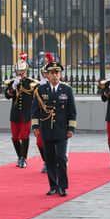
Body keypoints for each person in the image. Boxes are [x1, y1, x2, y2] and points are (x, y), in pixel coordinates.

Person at [31, 59, 76, 197]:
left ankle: (63, 186)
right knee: (49, 159)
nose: (55, 75)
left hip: (62, 130)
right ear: (47, 75)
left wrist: (71, 128)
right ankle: (53, 186)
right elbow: (35, 110)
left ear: (61, 75)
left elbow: (72, 111)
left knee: (61, 158)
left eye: (57, 73)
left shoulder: (67, 90)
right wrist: (35, 126)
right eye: (52, 73)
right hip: (46, 130)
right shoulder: (40, 90)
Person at [4, 52, 38, 168]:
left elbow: (35, 96)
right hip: (15, 114)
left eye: (21, 71)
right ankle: (19, 156)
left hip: (26, 113)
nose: (20, 73)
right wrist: (13, 87)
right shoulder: (12, 82)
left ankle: (24, 158)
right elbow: (7, 96)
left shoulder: (31, 83)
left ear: (26, 70)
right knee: (14, 137)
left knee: (24, 136)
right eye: (18, 71)